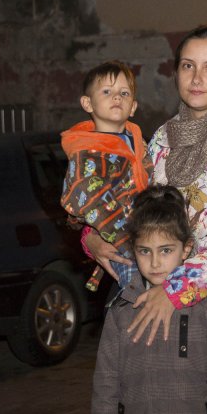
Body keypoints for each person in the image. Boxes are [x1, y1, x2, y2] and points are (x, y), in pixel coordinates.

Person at [115, 25, 207, 344]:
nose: (196, 78)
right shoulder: (163, 137)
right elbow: (138, 211)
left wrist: (176, 290)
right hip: (152, 292)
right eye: (188, 66)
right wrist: (97, 240)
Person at [91, 185, 207, 414]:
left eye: (165, 250)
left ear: (185, 249)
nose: (155, 263)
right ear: (133, 249)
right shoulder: (121, 309)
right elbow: (105, 389)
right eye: (144, 251)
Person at [60, 60, 151, 290]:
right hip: (123, 245)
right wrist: (129, 243)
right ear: (87, 103)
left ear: (133, 107)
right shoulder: (86, 154)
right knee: (137, 296)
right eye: (107, 92)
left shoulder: (138, 142)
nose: (117, 97)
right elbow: (88, 199)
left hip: (152, 238)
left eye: (124, 93)